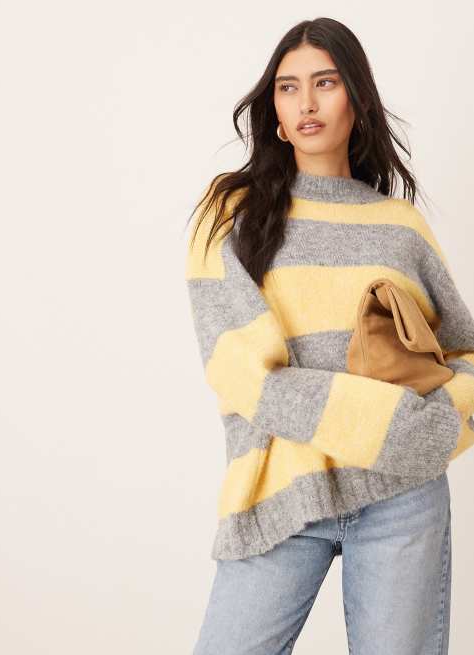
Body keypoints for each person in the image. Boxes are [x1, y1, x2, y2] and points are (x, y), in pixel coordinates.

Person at [184, 16, 474, 655]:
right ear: (275, 112)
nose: (306, 103)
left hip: (402, 494)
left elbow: (464, 353)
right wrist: (385, 421)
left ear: (357, 101)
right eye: (288, 88)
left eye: (326, 83)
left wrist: (436, 427)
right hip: (281, 489)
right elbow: (241, 374)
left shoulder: (400, 225)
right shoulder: (231, 212)